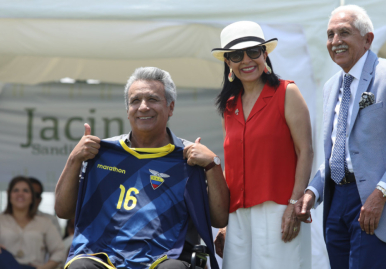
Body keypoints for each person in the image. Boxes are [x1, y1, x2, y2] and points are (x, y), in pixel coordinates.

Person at [295, 5, 386, 269]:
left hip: (374, 204)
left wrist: (380, 195)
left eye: (344, 33)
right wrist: (313, 191)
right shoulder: (331, 85)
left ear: (367, 39)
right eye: (330, 34)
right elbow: (339, 153)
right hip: (335, 202)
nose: (335, 42)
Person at [54, 67, 229, 269]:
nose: (143, 107)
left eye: (152, 99)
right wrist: (74, 159)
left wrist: (212, 164)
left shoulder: (189, 156)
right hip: (105, 256)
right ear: (127, 110)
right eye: (135, 101)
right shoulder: (100, 153)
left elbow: (219, 219)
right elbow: (63, 210)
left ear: (170, 107)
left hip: (167, 258)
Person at [210, 21, 313, 269]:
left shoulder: (287, 93)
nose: (246, 60)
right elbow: (233, 167)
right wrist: (224, 224)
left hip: (279, 209)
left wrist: (293, 206)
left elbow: (305, 151)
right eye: (236, 55)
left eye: (253, 52)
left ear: (264, 54)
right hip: (238, 217)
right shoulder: (229, 106)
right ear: (228, 63)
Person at [0, 176, 65, 269]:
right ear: (9, 195)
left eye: (25, 191)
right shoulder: (1, 220)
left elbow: (59, 251)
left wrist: (43, 268)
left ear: (32, 197)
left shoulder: (45, 222)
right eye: (16, 190)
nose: (20, 194)